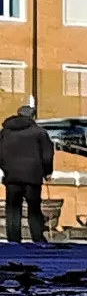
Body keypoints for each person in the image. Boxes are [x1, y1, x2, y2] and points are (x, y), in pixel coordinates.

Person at [1, 100, 53, 244]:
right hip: (33, 176)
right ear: (32, 117)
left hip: (12, 177)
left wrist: (6, 169)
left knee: (12, 208)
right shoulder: (39, 132)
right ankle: (37, 236)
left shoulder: (5, 133)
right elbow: (47, 153)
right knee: (34, 207)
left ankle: (13, 238)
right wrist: (47, 171)